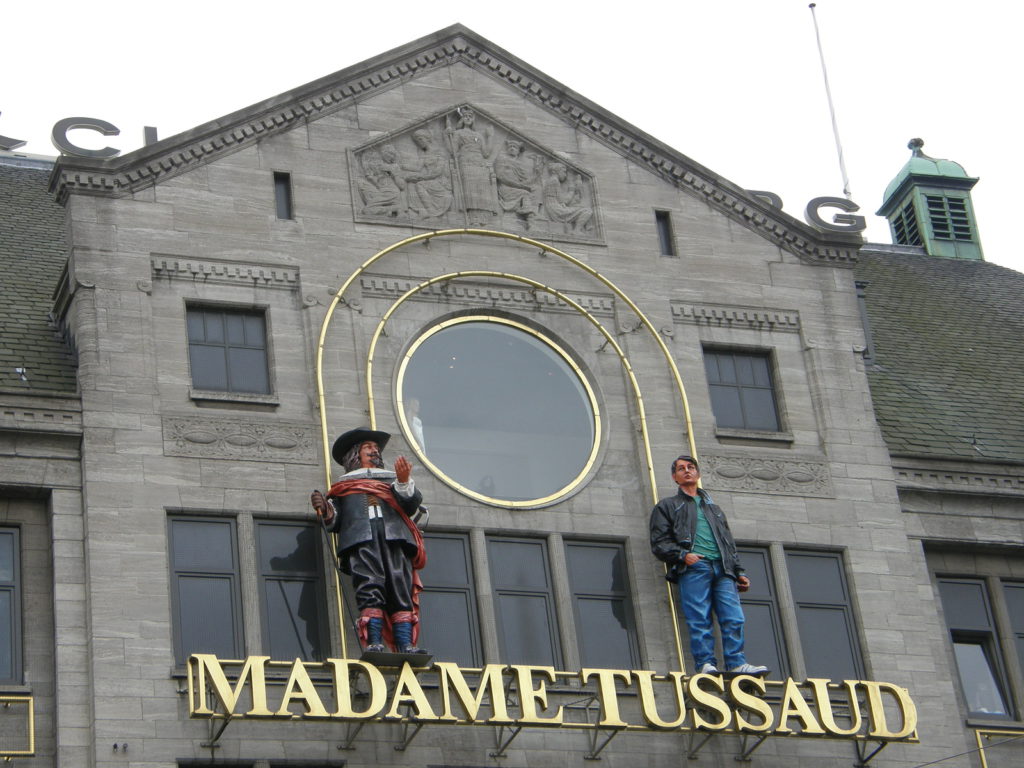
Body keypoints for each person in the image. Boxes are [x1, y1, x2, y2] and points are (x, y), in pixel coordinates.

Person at [311, 427, 427, 655]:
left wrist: (404, 482)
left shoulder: (392, 482)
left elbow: (410, 505)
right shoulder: (345, 487)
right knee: (369, 588)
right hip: (362, 540)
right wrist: (324, 507)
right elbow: (334, 520)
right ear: (355, 454)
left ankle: (405, 644)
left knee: (399, 588)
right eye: (368, 448)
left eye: (375, 448)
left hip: (394, 539)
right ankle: (374, 642)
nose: (375, 451)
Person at [649, 455, 767, 675]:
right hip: (695, 567)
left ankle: (737, 663)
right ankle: (705, 664)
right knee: (699, 618)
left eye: (691, 467)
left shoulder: (714, 509)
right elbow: (659, 543)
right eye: (681, 469)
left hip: (723, 569)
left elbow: (727, 541)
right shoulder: (668, 506)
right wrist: (684, 555)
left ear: (698, 474)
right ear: (675, 477)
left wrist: (738, 571)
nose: (687, 471)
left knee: (734, 617)